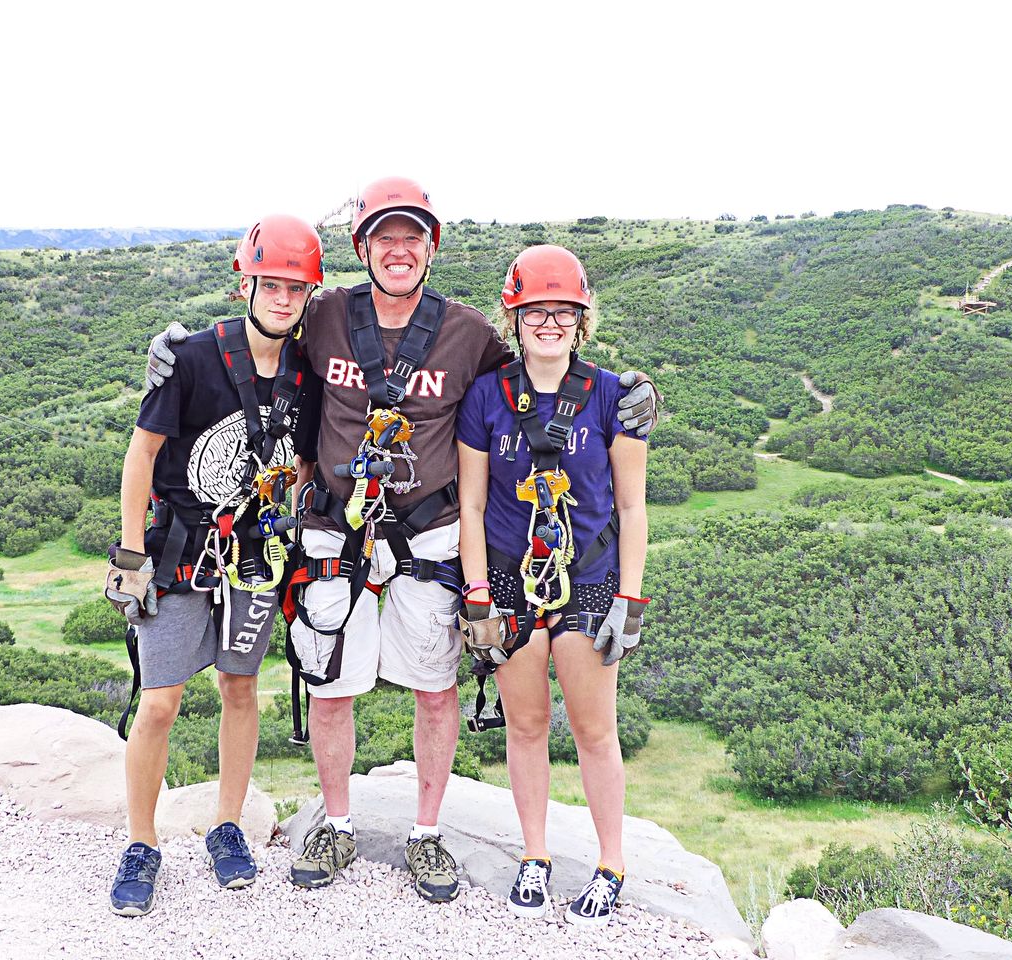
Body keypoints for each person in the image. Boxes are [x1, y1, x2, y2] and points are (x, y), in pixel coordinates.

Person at [144, 178, 658, 904]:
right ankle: (339, 823)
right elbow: (257, 335)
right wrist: (173, 350)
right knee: (331, 693)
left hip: (430, 536)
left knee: (435, 691)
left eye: (412, 238)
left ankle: (425, 832)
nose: (398, 250)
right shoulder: (323, 317)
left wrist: (627, 391)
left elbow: (539, 376)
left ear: (430, 249)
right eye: (384, 237)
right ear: (362, 247)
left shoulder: (468, 333)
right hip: (333, 531)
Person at [103, 214, 322, 916]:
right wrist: (132, 552)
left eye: (297, 288)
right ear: (247, 282)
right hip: (180, 550)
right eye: (274, 285)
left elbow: (307, 461)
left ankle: (228, 825)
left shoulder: (303, 372)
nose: (284, 299)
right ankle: (142, 842)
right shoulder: (193, 358)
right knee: (161, 701)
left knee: (238, 687)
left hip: (257, 552)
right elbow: (142, 453)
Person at [455, 244, 649, 927]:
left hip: (590, 577)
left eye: (562, 311)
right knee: (527, 723)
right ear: (515, 318)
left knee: (595, 730)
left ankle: (610, 863)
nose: (549, 322)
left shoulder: (612, 397)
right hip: (509, 580)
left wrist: (630, 597)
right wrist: (476, 592)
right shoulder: (487, 397)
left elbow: (631, 506)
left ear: (581, 319)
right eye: (535, 310)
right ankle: (534, 856)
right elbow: (473, 505)